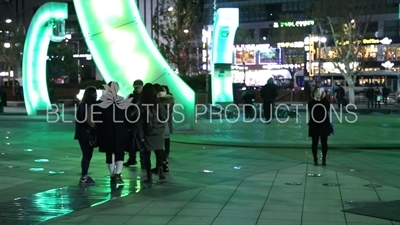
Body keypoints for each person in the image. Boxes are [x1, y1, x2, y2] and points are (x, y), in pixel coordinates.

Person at [97, 81, 130, 185]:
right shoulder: (123, 101)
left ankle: (112, 174)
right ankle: (118, 174)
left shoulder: (101, 102)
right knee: (120, 152)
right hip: (120, 130)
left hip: (106, 131)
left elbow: (98, 118)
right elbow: (128, 117)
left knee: (109, 153)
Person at [137, 83, 168, 183]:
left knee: (146, 154)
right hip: (158, 132)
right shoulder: (158, 103)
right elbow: (164, 117)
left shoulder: (142, 104)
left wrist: (141, 135)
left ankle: (149, 175)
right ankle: (160, 171)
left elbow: (140, 122)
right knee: (159, 151)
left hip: (147, 132)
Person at [74, 86, 98, 185]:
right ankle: (84, 177)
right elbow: (90, 120)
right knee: (87, 155)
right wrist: (96, 127)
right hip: (87, 134)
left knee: (85, 155)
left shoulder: (81, 105)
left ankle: (84, 176)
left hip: (80, 134)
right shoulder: (91, 105)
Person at [308, 87, 333, 166]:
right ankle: (315, 158)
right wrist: (317, 99)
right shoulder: (311, 102)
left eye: (319, 92)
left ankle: (324, 159)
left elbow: (327, 107)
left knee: (324, 142)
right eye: (316, 92)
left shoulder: (325, 102)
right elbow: (311, 108)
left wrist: (323, 98)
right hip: (314, 124)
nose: (318, 94)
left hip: (323, 124)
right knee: (314, 142)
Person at [152, 83, 174, 174]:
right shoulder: (168, 101)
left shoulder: (160, 101)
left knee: (159, 148)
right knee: (160, 148)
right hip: (164, 126)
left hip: (160, 127)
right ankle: (162, 166)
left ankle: (162, 167)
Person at [124, 79, 144, 167]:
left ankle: (142, 160)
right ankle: (132, 158)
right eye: (136, 88)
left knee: (141, 141)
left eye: (139, 88)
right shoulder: (131, 97)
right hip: (132, 122)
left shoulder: (144, 97)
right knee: (132, 140)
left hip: (141, 122)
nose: (137, 89)